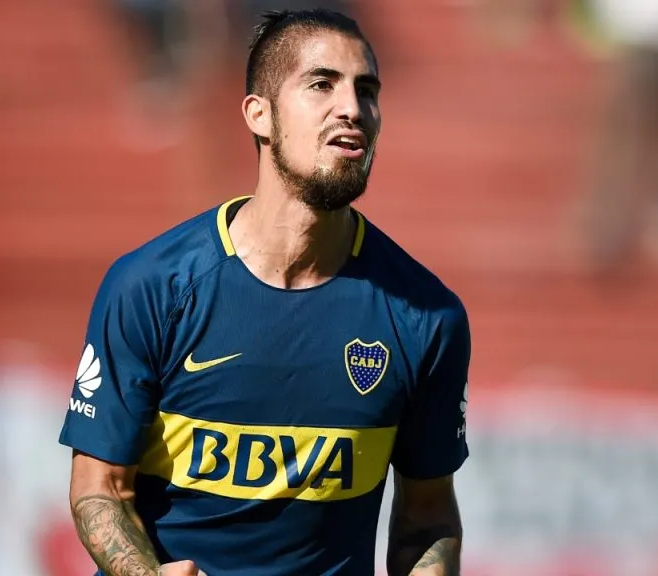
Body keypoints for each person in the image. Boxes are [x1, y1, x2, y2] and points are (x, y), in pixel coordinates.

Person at [58, 9, 471, 576]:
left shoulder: (425, 315)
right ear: (260, 115)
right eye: (322, 84)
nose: (353, 108)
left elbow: (427, 519)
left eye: (366, 90)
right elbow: (99, 487)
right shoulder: (150, 287)